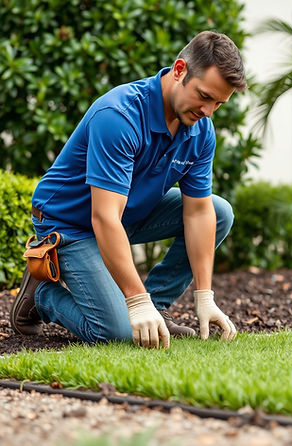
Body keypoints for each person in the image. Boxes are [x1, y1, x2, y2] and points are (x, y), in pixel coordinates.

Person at [10, 31, 246, 349]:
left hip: (125, 214)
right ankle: (43, 295)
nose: (208, 111)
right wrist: (135, 300)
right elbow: (104, 217)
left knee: (219, 212)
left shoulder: (199, 129)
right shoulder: (119, 116)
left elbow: (199, 211)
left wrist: (205, 296)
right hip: (70, 224)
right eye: (204, 96)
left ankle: (157, 309)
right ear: (179, 70)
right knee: (117, 333)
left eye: (219, 103)